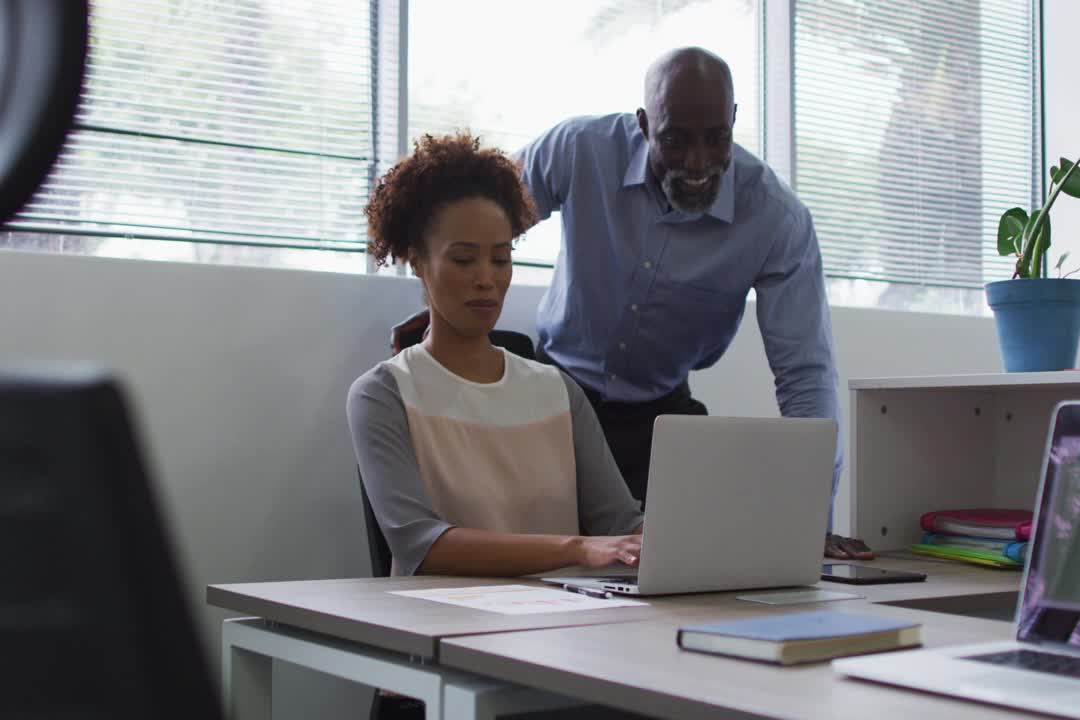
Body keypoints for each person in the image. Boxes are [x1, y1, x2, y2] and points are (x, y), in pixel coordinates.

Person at [397, 47, 870, 561]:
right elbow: (476, 221)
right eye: (675, 139)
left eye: (715, 138)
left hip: (660, 418)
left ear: (733, 121)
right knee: (537, 564)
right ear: (644, 124)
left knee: (684, 568)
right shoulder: (579, 149)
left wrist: (810, 521)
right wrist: (442, 305)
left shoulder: (776, 218)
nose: (697, 162)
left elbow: (806, 376)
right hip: (553, 401)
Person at [349, 132, 645, 579]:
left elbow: (622, 526)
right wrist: (576, 549)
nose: (487, 279)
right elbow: (420, 545)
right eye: (464, 260)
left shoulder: (557, 390)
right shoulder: (383, 395)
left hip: (562, 629)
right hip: (441, 630)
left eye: (501, 259)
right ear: (416, 261)